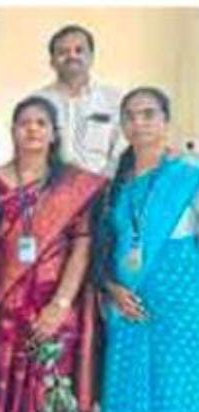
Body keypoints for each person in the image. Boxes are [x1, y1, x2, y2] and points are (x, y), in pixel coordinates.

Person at [0, 96, 105, 412]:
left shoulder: (72, 184)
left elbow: (82, 245)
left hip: (53, 306)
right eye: (24, 123)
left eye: (41, 123)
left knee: (47, 391)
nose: (32, 129)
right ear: (13, 131)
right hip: (3, 306)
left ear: (53, 133)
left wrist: (60, 304)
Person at [99, 87, 199, 411]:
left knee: (176, 387)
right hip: (127, 302)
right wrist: (112, 289)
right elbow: (101, 249)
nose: (138, 123)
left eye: (148, 114)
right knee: (128, 389)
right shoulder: (113, 183)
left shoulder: (188, 175)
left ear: (166, 121)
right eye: (129, 116)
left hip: (181, 301)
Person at [33, 24, 125, 176]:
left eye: (79, 50)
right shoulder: (37, 103)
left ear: (91, 57)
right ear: (52, 62)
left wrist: (100, 184)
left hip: (104, 186)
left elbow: (121, 152)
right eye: (63, 52)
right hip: (50, 187)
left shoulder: (114, 100)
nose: (72, 56)